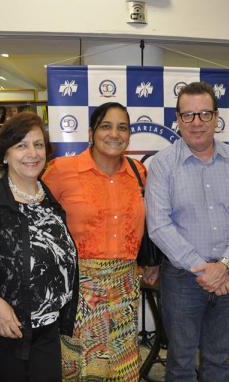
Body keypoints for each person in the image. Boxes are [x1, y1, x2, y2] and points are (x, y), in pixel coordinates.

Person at [145, 81, 229, 382]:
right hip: (183, 278)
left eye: (205, 114)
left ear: (217, 117)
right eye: (188, 115)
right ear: (178, 120)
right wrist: (204, 269)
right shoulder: (162, 165)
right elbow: (159, 225)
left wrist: (223, 266)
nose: (196, 123)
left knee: (219, 360)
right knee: (181, 362)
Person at [0, 111, 78, 382]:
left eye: (38, 145)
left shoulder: (50, 202)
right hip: (6, 331)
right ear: (4, 154)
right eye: (21, 145)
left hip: (48, 329)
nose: (32, 153)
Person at [43, 102, 156, 381]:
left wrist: (153, 264)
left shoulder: (139, 173)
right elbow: (38, 220)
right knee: (82, 368)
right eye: (106, 126)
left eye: (122, 127)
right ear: (92, 132)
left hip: (126, 290)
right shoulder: (61, 170)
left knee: (123, 367)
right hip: (80, 292)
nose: (114, 134)